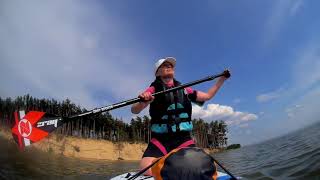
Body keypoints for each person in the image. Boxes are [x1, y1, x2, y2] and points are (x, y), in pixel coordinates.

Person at [131, 57, 230, 176]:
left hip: (183, 139)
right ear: (157, 72)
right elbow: (134, 110)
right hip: (160, 139)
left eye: (171, 65)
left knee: (201, 165)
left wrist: (222, 79)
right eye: (164, 65)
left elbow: (208, 96)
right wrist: (143, 102)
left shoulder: (185, 90)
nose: (169, 66)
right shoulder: (153, 90)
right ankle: (177, 163)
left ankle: (172, 164)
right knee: (145, 168)